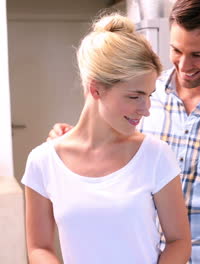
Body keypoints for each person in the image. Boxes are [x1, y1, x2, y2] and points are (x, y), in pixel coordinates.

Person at [49, 0, 200, 263]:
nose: (184, 65)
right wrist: (74, 136)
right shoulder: (145, 95)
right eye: (176, 50)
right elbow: (109, 147)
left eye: (197, 55)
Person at [23, 13, 191, 264]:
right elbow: (39, 247)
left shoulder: (155, 155)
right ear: (96, 89)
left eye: (148, 95)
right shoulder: (43, 161)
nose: (145, 109)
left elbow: (179, 241)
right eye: (134, 97)